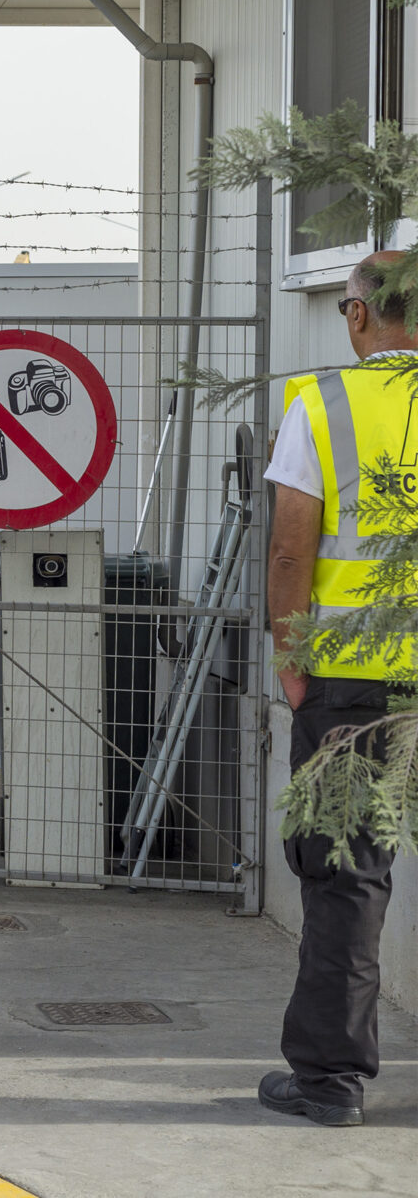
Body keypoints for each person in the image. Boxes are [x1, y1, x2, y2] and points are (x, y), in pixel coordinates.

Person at [259, 251, 418, 1128]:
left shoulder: (321, 405)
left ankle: (330, 1081)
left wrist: (292, 659)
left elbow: (292, 547)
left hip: (352, 685)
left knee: (347, 873)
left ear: (358, 316)